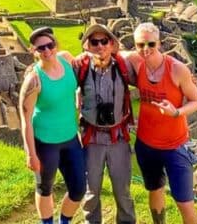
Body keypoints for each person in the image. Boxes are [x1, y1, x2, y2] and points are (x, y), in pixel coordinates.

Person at [126, 22, 197, 224]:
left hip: (174, 145)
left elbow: (196, 101)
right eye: (140, 44)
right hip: (146, 144)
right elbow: (106, 51)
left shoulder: (177, 70)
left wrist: (176, 112)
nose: (146, 49)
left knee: (184, 201)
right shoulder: (135, 61)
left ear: (159, 43)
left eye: (151, 44)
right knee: (155, 189)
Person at [19, 27, 85, 224]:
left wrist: (78, 93)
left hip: (70, 138)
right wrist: (30, 153)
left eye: (50, 45)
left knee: (79, 188)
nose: (47, 51)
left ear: (56, 45)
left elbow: (81, 75)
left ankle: (64, 221)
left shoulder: (67, 59)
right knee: (45, 187)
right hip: (45, 142)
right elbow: (26, 119)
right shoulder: (34, 80)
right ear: (34, 51)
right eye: (41, 48)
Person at [75, 23, 136, 224]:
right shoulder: (80, 68)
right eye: (94, 42)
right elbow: (56, 73)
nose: (100, 46)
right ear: (87, 46)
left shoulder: (123, 66)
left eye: (104, 41)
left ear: (112, 44)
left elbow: (150, 77)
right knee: (91, 191)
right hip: (92, 138)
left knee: (123, 190)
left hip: (118, 138)